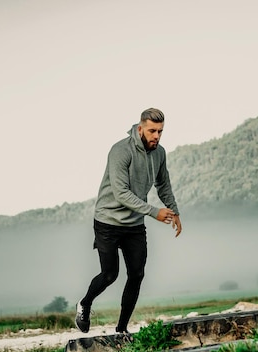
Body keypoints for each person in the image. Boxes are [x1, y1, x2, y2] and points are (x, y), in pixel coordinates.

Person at [75, 108, 182, 334]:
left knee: (137, 274)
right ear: (140, 127)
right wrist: (154, 212)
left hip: (134, 224)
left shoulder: (159, 153)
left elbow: (163, 185)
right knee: (109, 275)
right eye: (152, 131)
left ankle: (122, 330)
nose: (156, 136)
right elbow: (121, 193)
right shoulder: (120, 151)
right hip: (108, 221)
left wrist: (174, 212)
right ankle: (84, 304)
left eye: (160, 132)